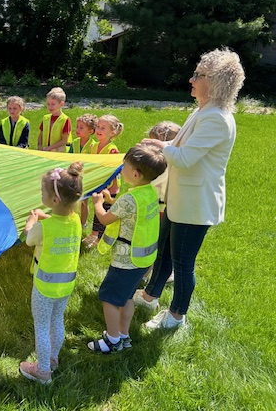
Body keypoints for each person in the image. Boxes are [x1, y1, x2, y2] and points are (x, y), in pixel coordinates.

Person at [134, 48, 245, 329]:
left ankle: (176, 316)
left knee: (182, 263)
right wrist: (162, 145)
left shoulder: (216, 118)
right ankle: (149, 296)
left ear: (216, 82)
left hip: (195, 204)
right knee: (163, 252)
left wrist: (159, 147)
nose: (191, 79)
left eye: (198, 75)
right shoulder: (203, 110)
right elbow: (180, 147)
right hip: (180, 198)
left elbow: (184, 158)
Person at [87, 144, 167, 353]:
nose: (121, 170)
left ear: (136, 174)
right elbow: (127, 210)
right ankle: (124, 334)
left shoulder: (129, 199)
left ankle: (112, 341)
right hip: (143, 259)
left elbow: (105, 219)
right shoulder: (149, 192)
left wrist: (98, 203)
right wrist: (111, 200)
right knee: (127, 297)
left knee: (109, 298)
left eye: (124, 167)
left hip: (125, 261)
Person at [19, 162, 84, 384]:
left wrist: (32, 221)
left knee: (41, 327)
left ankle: (43, 371)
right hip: (65, 285)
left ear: (54, 200)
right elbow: (59, 223)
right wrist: (44, 216)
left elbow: (29, 239)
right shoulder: (76, 221)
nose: (41, 194)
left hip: (44, 287)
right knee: (57, 320)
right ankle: (53, 359)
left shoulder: (43, 229)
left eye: (43, 191)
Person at [141, 121, 181, 284]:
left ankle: (152, 272)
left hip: (162, 209)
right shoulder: (160, 164)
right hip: (155, 206)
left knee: (159, 242)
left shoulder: (168, 166)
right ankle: (150, 270)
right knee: (153, 240)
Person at [82, 114, 124, 249]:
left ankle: (100, 239)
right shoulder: (93, 146)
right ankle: (93, 234)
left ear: (112, 132)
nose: (99, 130)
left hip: (109, 187)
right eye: (98, 127)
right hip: (98, 184)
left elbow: (114, 170)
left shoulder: (112, 150)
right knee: (97, 209)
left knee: (103, 213)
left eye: (103, 128)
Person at [71, 113, 98, 229]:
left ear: (90, 131)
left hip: (86, 178)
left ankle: (83, 223)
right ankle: (72, 221)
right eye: (77, 126)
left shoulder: (93, 145)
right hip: (74, 176)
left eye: (81, 128)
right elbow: (68, 156)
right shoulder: (74, 142)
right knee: (72, 200)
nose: (77, 129)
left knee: (84, 202)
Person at [38, 87, 71, 152]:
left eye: (53, 104)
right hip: (45, 151)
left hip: (59, 153)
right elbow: (40, 135)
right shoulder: (45, 118)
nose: (50, 106)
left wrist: (49, 148)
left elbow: (64, 140)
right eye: (48, 104)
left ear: (61, 104)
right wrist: (39, 146)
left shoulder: (65, 120)